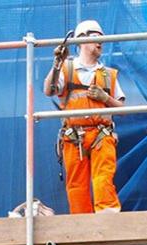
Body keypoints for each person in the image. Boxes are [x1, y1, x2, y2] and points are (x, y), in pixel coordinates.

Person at [43, 19, 125, 214]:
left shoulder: (108, 74)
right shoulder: (66, 70)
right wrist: (57, 63)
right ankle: (82, 227)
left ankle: (107, 224)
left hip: (101, 135)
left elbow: (121, 108)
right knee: (76, 185)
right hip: (74, 137)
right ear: (82, 41)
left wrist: (105, 97)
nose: (101, 43)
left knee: (103, 179)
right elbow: (49, 90)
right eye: (96, 37)